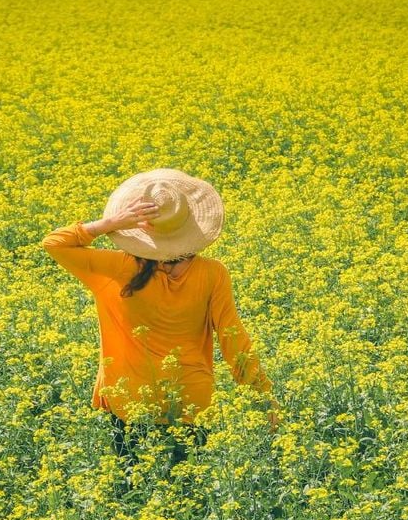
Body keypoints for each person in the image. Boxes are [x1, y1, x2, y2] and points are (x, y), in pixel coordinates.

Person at [42, 168, 280, 484]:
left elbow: (54, 244)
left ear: (142, 230)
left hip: (130, 396)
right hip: (190, 398)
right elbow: (232, 338)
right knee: (189, 492)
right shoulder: (212, 273)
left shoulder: (121, 267)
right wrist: (262, 396)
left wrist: (111, 224)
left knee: (132, 489)